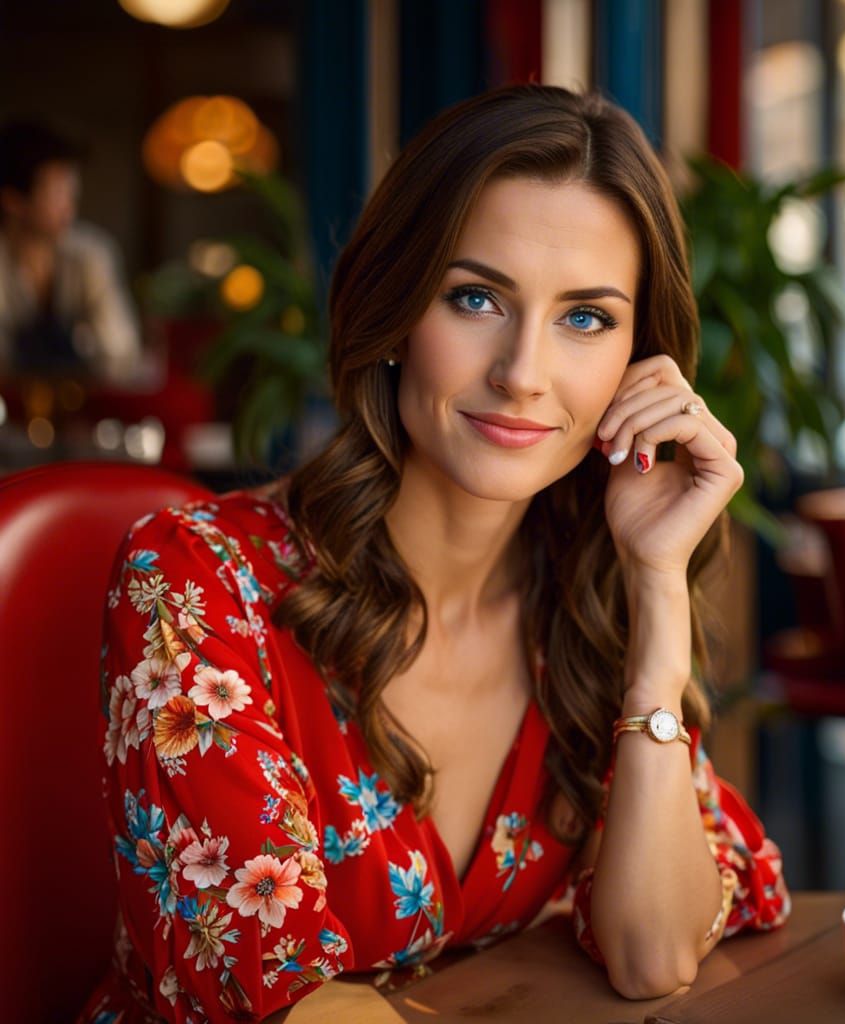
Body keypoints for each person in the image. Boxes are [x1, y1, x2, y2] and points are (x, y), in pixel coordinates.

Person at [81, 85, 789, 1023]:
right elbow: (268, 1000)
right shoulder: (196, 582)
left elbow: (653, 954)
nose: (523, 373)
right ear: (396, 308)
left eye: (586, 318)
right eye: (475, 298)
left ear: (639, 366)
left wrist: (656, 595)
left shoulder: (582, 593)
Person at [0, 119, 141, 385]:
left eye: (71, 190)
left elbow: (121, 350)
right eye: (56, 192)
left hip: (85, 405)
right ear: (13, 200)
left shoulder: (90, 254)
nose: (69, 205)